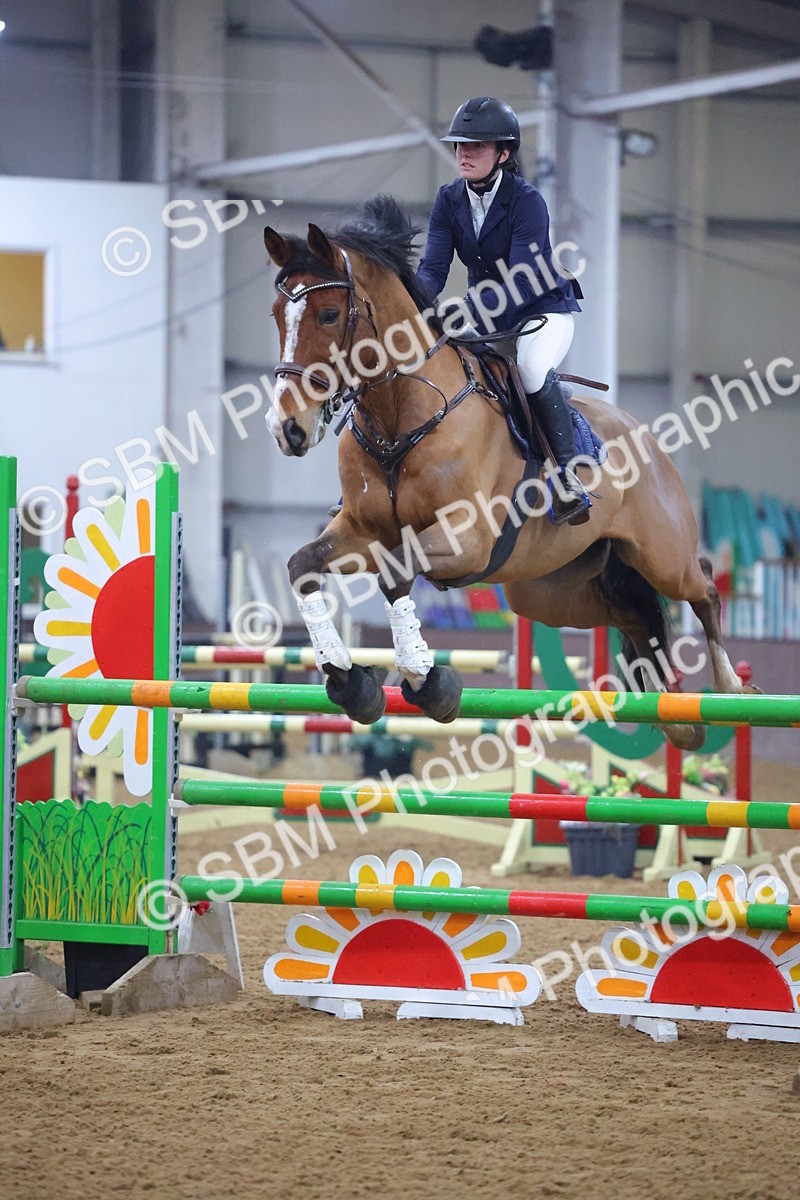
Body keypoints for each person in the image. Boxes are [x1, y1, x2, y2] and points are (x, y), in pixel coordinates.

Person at [415, 96, 589, 526]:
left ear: (504, 154)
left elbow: (522, 281)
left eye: (476, 146)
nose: (464, 154)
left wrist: (466, 310)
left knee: (531, 367)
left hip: (541, 311)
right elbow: (433, 269)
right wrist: (412, 307)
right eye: (460, 145)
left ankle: (567, 475)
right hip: (489, 319)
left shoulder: (527, 201)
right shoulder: (448, 199)